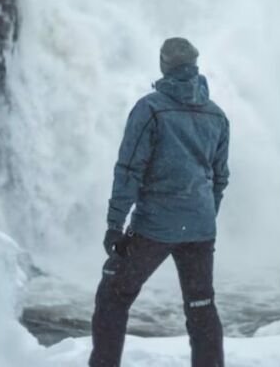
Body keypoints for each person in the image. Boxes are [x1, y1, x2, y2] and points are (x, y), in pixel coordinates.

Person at [90, 37, 230, 367]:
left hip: (155, 226)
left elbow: (129, 170)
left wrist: (114, 225)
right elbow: (220, 177)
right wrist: (204, 214)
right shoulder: (217, 115)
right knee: (201, 306)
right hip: (199, 227)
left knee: (113, 295)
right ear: (195, 67)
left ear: (164, 66)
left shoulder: (150, 109)